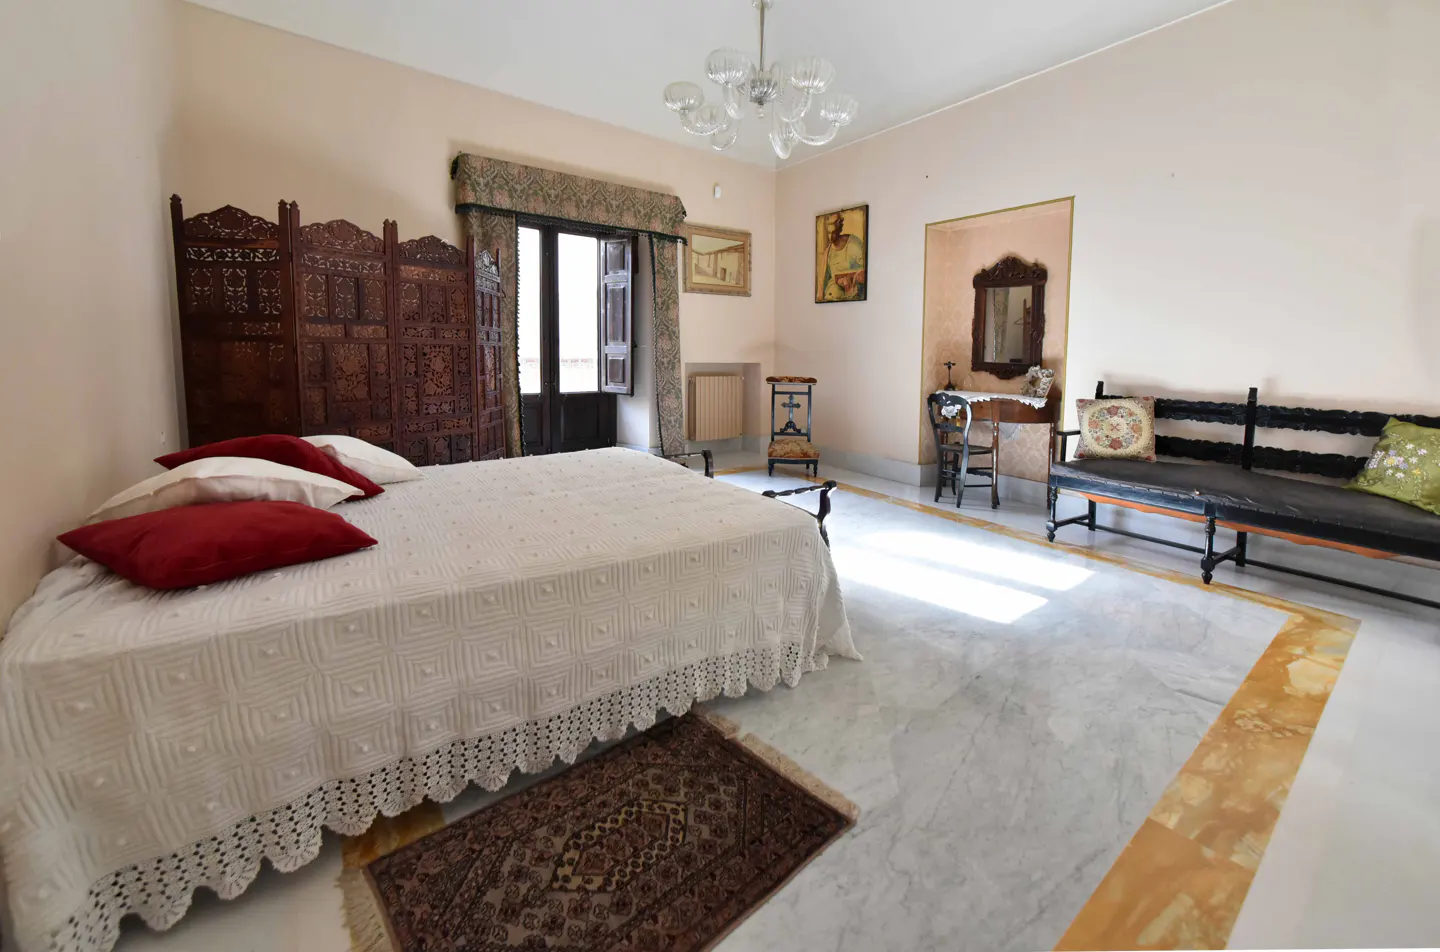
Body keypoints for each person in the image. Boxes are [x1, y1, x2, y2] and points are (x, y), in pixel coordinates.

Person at [821, 211, 865, 301]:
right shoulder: (828, 252)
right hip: (834, 293)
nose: (831, 237)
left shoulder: (854, 243)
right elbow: (823, 280)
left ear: (839, 230)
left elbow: (864, 270)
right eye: (829, 233)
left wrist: (852, 278)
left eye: (833, 232)